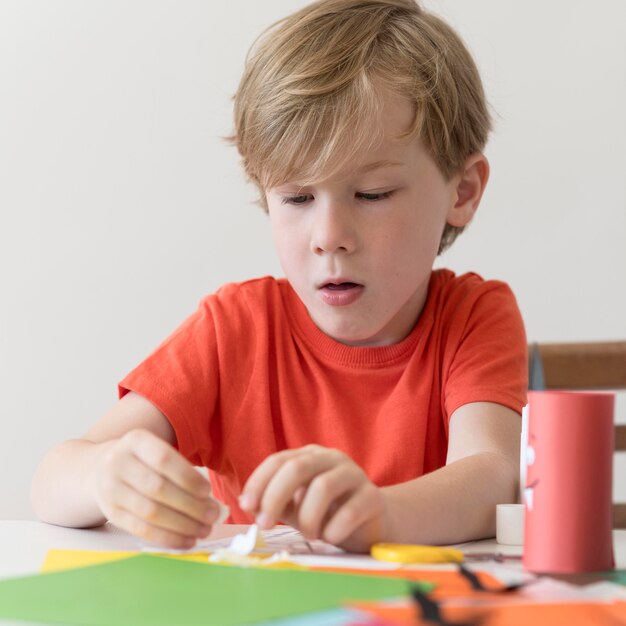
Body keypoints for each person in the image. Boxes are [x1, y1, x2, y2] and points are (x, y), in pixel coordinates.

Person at [31, 0, 527, 554]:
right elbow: (52, 479)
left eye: (372, 194)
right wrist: (105, 475)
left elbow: (493, 475)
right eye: (296, 197)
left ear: (462, 192)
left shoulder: (473, 317)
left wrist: (382, 514)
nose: (328, 235)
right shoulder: (234, 330)